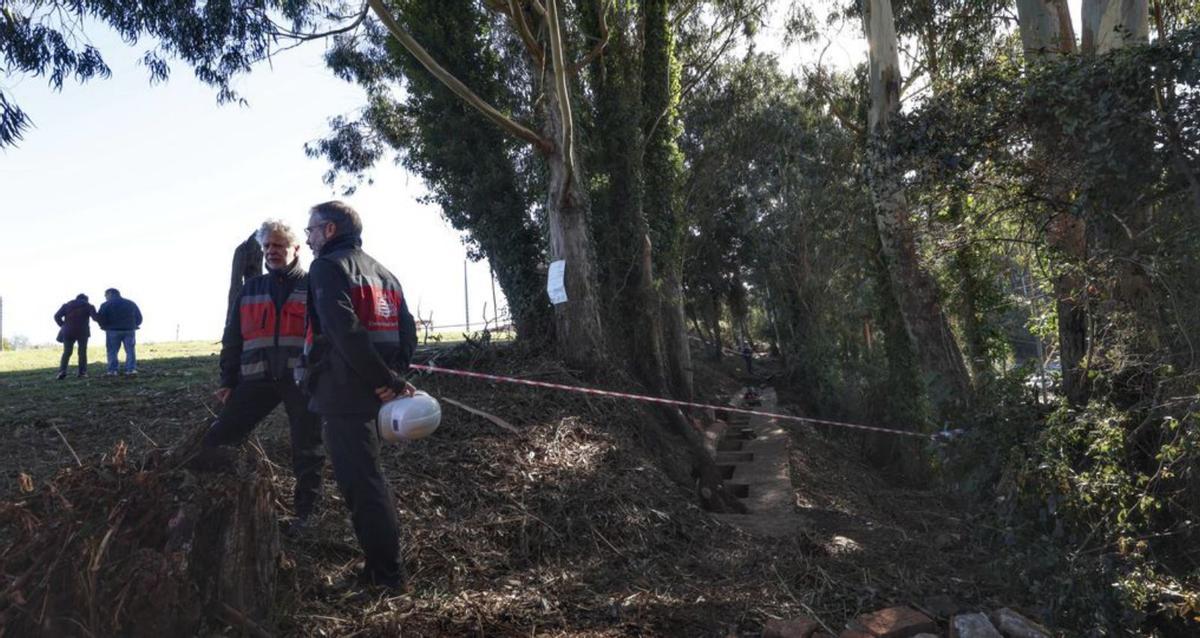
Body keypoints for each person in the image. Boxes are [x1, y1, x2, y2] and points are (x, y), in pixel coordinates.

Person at [301, 200, 417, 592]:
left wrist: (383, 380)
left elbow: (342, 329)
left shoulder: (327, 268)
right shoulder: (384, 273)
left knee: (362, 484)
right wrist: (394, 378)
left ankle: (386, 576)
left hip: (345, 392)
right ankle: (384, 567)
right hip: (374, 388)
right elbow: (407, 331)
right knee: (371, 479)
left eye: (311, 230)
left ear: (329, 230)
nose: (309, 239)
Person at [204, 220, 325, 533]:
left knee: (307, 447)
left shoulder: (314, 286)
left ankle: (305, 515)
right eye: (267, 247)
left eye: (279, 246)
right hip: (255, 380)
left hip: (301, 380)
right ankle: (216, 501)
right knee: (221, 436)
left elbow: (328, 336)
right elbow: (233, 337)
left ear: (295, 249)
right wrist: (227, 381)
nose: (272, 252)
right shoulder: (252, 288)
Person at [97, 288, 143, 376]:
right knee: (130, 350)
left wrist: (104, 326)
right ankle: (131, 369)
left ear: (110, 294)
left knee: (112, 351)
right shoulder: (131, 303)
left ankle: (112, 370)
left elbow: (101, 317)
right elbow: (139, 317)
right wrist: (134, 324)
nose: (105, 297)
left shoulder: (106, 304)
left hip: (112, 331)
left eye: (105, 295)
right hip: (129, 330)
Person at [53, 293, 99, 379]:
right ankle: (82, 372)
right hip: (82, 332)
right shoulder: (88, 306)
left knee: (67, 352)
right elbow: (95, 318)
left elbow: (56, 316)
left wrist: (63, 325)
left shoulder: (66, 305)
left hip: (68, 332)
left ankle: (62, 372)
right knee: (82, 352)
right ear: (86, 300)